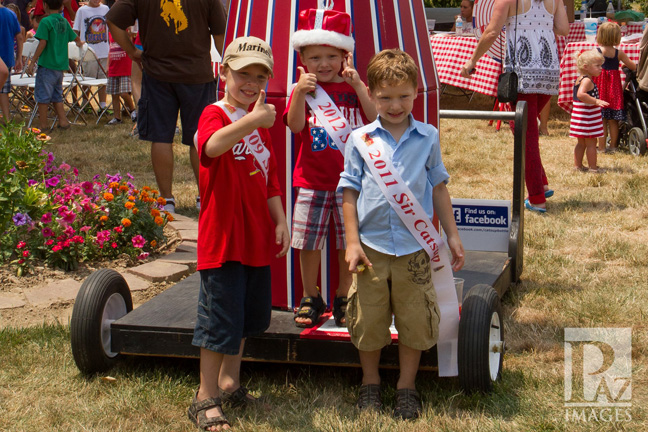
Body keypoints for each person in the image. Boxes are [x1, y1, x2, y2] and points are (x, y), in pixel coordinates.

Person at [339, 49, 465, 420]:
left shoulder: (427, 136)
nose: (395, 105)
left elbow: (439, 187)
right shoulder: (360, 140)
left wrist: (452, 235)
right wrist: (351, 242)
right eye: (385, 96)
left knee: (415, 318)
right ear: (372, 95)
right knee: (368, 317)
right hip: (370, 249)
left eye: (403, 96)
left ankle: (406, 387)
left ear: (416, 93)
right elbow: (349, 192)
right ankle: (370, 382)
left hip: (414, 247)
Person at [188, 36, 289, 431]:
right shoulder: (216, 113)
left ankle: (230, 383)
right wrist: (252, 120)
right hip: (224, 238)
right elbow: (211, 148)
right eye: (243, 73)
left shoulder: (259, 121)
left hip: (255, 236)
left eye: (259, 75)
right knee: (219, 321)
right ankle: (205, 398)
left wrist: (279, 219)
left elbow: (270, 181)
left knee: (246, 318)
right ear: (223, 71)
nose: (250, 82)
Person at [286, 8, 376, 328]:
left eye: (330, 56)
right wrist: (298, 92)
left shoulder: (353, 87)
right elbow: (295, 126)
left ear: (344, 56)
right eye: (315, 58)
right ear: (303, 61)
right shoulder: (304, 91)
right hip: (310, 180)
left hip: (351, 184)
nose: (323, 64)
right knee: (308, 243)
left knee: (345, 243)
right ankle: (310, 296)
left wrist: (359, 85)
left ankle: (344, 294)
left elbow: (374, 118)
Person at [106, 0, 227, 213]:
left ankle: (166, 200)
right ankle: (205, 198)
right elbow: (221, 36)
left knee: (160, 137)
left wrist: (133, 52)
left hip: (157, 74)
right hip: (197, 74)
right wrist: (230, 68)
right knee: (200, 139)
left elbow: (113, 20)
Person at [460, 0, 569, 213]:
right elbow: (563, 29)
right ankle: (542, 181)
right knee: (521, 126)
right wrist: (541, 25)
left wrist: (472, 61)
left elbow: (491, 32)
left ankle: (537, 197)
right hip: (548, 69)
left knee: (524, 133)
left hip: (522, 70)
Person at [27, 0, 82, 131]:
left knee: (42, 96)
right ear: (62, 6)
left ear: (45, 5)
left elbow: (42, 42)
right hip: (60, 65)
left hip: (47, 64)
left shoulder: (45, 22)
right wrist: (80, 43)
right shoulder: (64, 22)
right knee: (57, 95)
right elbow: (76, 38)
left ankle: (43, 125)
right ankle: (63, 121)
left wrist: (33, 60)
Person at [594, 21, 637, 153]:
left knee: (601, 119)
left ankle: (601, 147)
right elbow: (633, 67)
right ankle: (613, 146)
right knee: (613, 120)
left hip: (600, 88)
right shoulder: (619, 53)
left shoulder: (597, 52)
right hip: (614, 89)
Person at [570, 49, 608, 173]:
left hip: (579, 117)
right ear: (586, 67)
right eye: (597, 66)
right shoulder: (587, 80)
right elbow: (581, 94)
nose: (600, 68)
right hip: (588, 118)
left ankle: (578, 166)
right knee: (592, 143)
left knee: (581, 143)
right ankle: (593, 168)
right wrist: (596, 101)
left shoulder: (580, 78)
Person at [73, 0, 110, 112]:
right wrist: (78, 42)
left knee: (103, 80)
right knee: (88, 78)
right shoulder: (82, 11)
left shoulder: (106, 9)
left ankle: (102, 106)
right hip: (89, 53)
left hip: (104, 51)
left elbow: (110, 28)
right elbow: (75, 30)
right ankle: (85, 103)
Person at [105, 30, 135, 125]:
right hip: (113, 67)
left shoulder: (127, 32)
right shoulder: (111, 33)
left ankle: (134, 111)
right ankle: (117, 118)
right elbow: (110, 49)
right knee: (114, 94)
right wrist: (107, 66)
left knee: (124, 93)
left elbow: (131, 42)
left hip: (125, 67)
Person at [0, 2, 23, 123]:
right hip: (7, 57)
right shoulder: (11, 14)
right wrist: (19, 57)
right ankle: (7, 119)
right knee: (4, 91)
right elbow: (19, 37)